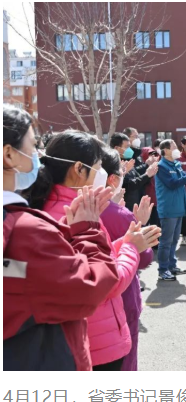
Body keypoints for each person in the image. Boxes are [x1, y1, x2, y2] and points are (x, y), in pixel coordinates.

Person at [27, 130, 155, 371]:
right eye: (98, 166)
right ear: (78, 168)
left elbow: (94, 260)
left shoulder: (67, 206)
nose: (102, 174)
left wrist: (123, 243)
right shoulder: (73, 213)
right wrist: (130, 247)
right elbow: (105, 281)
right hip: (96, 342)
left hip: (88, 338)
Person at [3, 105, 119, 371]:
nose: (38, 155)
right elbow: (90, 287)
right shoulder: (27, 230)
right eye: (33, 145)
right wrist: (87, 231)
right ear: (9, 154)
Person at [100, 147, 160, 370]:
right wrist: (138, 224)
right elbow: (144, 257)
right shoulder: (116, 214)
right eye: (121, 171)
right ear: (112, 178)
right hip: (120, 300)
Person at [155, 139, 186, 281]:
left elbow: (185, 180)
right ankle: (163, 270)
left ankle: (172, 266)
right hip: (168, 208)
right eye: (174, 147)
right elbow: (172, 184)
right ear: (165, 151)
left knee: (174, 240)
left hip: (178, 207)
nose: (176, 149)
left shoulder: (176, 164)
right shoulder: (162, 166)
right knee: (166, 241)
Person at [119, 127, 158, 212]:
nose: (138, 139)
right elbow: (132, 174)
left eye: (138, 136)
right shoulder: (125, 154)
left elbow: (137, 173)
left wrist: (149, 172)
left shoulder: (138, 154)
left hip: (140, 195)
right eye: (135, 136)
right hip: (130, 201)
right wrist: (146, 166)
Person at [141, 146, 161, 228]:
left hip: (156, 201)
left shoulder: (157, 167)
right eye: (150, 154)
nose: (153, 156)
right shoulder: (141, 168)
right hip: (145, 202)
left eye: (154, 154)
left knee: (156, 225)